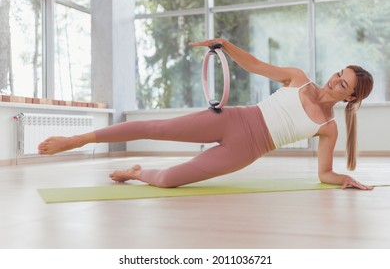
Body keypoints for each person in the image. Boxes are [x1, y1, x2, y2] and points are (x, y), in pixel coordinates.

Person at [38, 38, 374, 190]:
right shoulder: (299, 78)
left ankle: (136, 173)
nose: (334, 81)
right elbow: (255, 65)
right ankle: (77, 139)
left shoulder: (329, 129)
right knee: (155, 127)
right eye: (338, 74)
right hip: (233, 119)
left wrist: (345, 179)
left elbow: (324, 173)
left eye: (343, 83)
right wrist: (226, 45)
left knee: (169, 180)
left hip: (245, 152)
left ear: (352, 96)